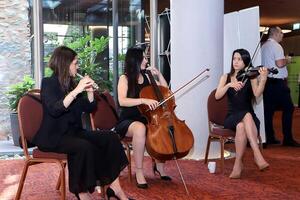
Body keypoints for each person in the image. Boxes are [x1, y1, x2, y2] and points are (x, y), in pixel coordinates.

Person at [32, 46, 131, 200]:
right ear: (65, 64)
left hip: (74, 132)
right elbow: (55, 109)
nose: (77, 67)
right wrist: (77, 91)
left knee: (110, 138)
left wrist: (90, 92)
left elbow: (89, 108)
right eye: (75, 63)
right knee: (83, 147)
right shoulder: (48, 83)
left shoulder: (71, 84)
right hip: (53, 136)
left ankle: (115, 188)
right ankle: (82, 192)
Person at [115, 47, 171, 189]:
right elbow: (122, 101)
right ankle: (139, 171)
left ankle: (159, 166)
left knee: (160, 128)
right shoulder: (124, 78)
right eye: (144, 58)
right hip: (128, 120)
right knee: (140, 128)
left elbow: (166, 91)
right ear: (136, 60)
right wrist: (143, 100)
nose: (146, 60)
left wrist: (158, 74)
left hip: (146, 118)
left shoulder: (147, 77)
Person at [215, 49, 269, 178]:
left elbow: (257, 95)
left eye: (239, 59)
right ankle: (257, 153)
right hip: (231, 116)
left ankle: (237, 165)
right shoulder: (226, 77)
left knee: (242, 125)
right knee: (246, 116)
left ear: (246, 62)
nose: (236, 62)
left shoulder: (251, 76)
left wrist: (263, 79)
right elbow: (217, 96)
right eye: (234, 58)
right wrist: (229, 85)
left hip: (248, 118)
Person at [261, 26, 300, 147]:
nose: (282, 35)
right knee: (289, 108)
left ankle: (268, 138)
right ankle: (287, 138)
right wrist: (287, 60)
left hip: (267, 82)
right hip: (277, 83)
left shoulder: (264, 46)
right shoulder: (277, 46)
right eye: (281, 33)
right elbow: (279, 63)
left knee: (268, 111)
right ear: (276, 34)